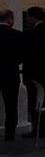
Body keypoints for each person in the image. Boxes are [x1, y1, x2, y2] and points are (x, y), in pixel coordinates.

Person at [23, 6, 45, 138]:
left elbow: (32, 55)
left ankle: (39, 129)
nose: (27, 20)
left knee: (36, 102)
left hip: (36, 74)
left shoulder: (35, 34)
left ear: (33, 17)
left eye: (27, 17)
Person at [0, 9, 25, 142]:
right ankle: (9, 135)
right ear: (10, 19)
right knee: (11, 106)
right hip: (11, 74)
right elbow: (22, 56)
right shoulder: (18, 35)